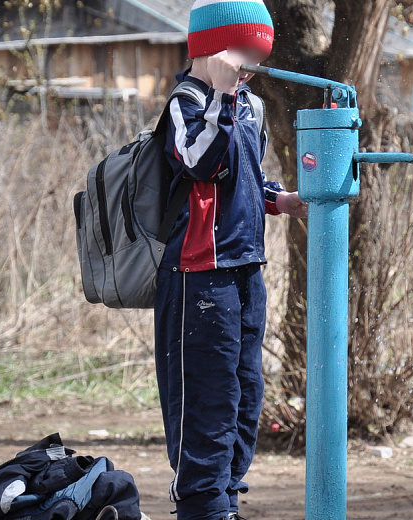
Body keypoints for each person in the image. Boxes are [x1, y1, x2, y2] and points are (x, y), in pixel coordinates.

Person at [154, 2, 306, 519]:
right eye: (243, 56)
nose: (250, 70)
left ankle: (227, 498)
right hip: (199, 276)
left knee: (244, 393)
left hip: (246, 269)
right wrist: (220, 95)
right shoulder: (187, 101)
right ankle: (202, 505)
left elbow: (245, 177)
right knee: (207, 396)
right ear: (212, 49)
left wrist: (279, 200)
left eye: (257, 59)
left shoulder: (250, 106)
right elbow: (201, 163)